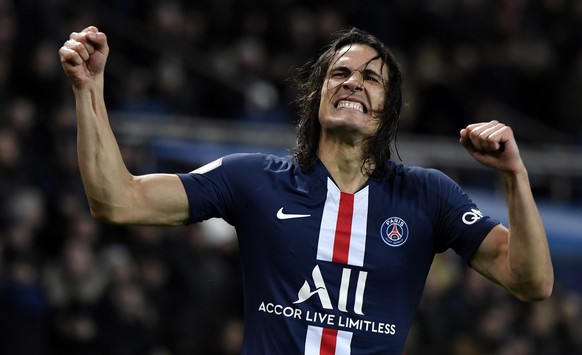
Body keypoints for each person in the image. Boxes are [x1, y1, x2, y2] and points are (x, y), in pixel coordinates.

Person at [59, 25, 553, 354]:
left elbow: (532, 282)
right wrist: (89, 89)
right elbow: (117, 200)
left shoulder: (429, 195)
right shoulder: (252, 178)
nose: (353, 82)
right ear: (316, 98)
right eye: (339, 73)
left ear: (388, 109)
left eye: (371, 78)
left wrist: (514, 177)